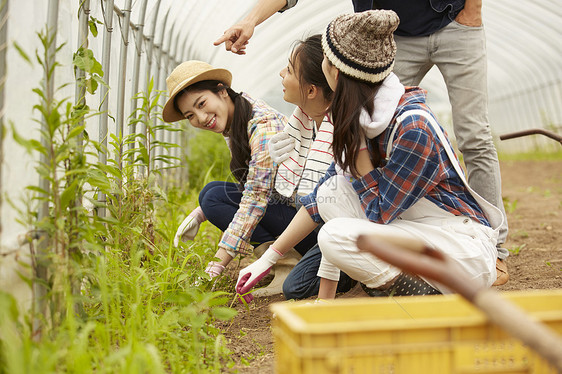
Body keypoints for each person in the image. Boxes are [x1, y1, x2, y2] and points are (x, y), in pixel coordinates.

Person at [214, 0, 509, 285]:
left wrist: (357, 155)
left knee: (334, 234)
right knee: (332, 194)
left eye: (326, 59)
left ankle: (422, 287)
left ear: (336, 74)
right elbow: (322, 198)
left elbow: (378, 214)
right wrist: (268, 259)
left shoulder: (412, 128)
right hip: (421, 236)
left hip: (462, 250)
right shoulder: (356, 119)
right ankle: (406, 284)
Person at [162, 60, 317, 282]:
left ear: (222, 91)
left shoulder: (263, 126)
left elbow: (255, 199)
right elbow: (256, 185)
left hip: (309, 226)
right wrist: (201, 212)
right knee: (211, 193)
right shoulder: (238, 119)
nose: (201, 118)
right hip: (289, 212)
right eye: (190, 115)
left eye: (202, 104)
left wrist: (216, 265)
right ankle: (275, 264)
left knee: (213, 197)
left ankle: (286, 266)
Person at [270, 34, 355, 299]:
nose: (281, 73)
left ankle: (357, 273)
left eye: (290, 70)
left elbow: (329, 205)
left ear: (311, 91)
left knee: (294, 288)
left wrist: (272, 256)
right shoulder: (304, 123)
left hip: (348, 227)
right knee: (218, 195)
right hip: (321, 221)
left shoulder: (345, 131)